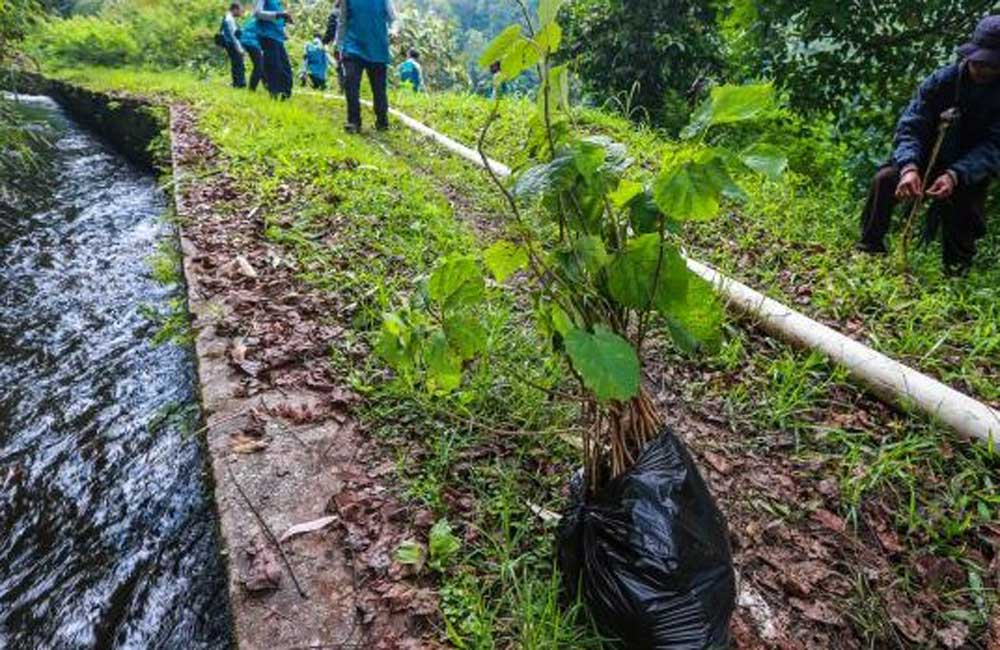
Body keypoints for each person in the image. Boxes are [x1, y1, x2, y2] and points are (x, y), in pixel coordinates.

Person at [859, 15, 1000, 275]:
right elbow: (911, 125)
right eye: (979, 62)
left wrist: (955, 175)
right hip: (924, 160)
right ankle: (869, 251)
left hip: (967, 172)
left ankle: (956, 275)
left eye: (992, 65)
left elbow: (994, 147)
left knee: (964, 210)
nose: (984, 69)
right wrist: (909, 167)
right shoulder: (941, 81)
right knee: (884, 180)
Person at [336, 0, 397, 132]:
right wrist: (339, 46)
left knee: (379, 88)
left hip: (377, 49)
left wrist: (393, 31)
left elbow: (393, 19)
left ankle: (382, 121)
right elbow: (342, 21)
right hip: (353, 47)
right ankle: (354, 121)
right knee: (351, 83)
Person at [254, 0, 294, 99]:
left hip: (278, 38)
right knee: (274, 66)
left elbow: (278, 20)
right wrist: (279, 14)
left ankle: (284, 94)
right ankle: (274, 93)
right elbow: (257, 13)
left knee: (286, 69)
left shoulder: (278, 3)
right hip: (267, 36)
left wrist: (285, 20)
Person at [221, 3, 246, 88]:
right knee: (238, 63)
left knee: (236, 63)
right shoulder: (229, 19)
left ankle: (238, 83)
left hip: (230, 44)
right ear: (235, 9)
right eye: (240, 10)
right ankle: (239, 83)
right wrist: (239, 48)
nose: (240, 13)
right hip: (232, 44)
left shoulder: (227, 17)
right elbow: (233, 35)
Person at [239, 12, 264, 92]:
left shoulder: (253, 18)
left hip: (246, 41)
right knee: (259, 66)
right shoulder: (262, 18)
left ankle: (267, 86)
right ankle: (251, 89)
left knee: (260, 64)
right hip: (251, 42)